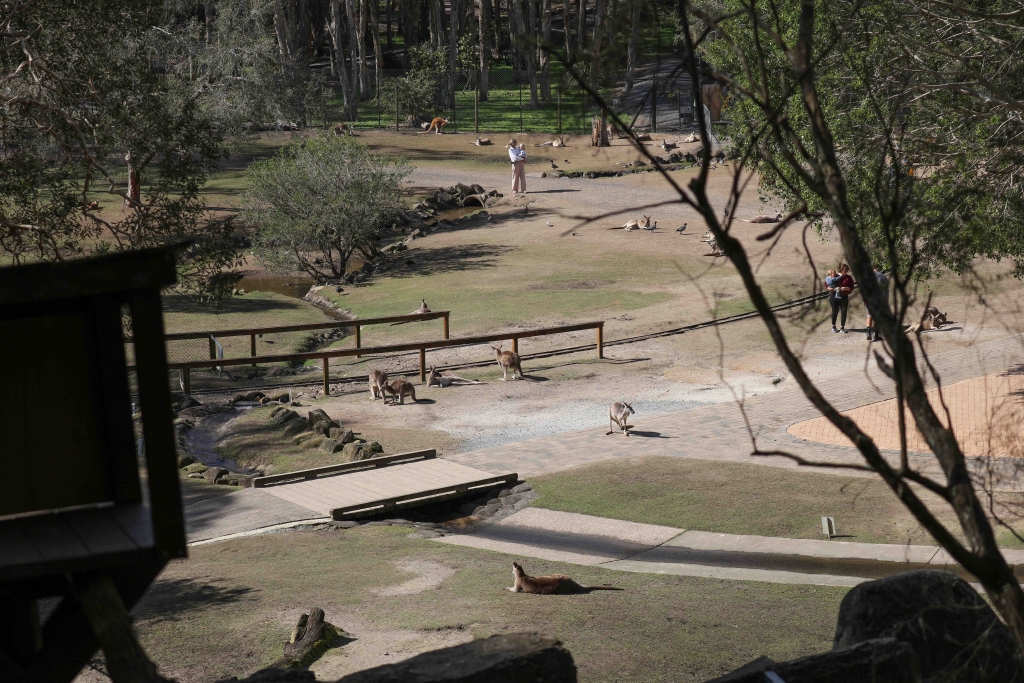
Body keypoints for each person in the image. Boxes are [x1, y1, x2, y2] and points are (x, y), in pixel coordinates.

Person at [865, 266, 889, 342]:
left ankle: (868, 333)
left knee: (869, 316)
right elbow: (886, 289)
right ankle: (876, 335)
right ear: (876, 268)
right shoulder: (883, 276)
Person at [829, 263, 855, 333]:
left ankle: (842, 327)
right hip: (834, 297)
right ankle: (833, 326)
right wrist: (834, 288)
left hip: (844, 297)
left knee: (844, 312)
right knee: (835, 311)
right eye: (844, 271)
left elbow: (852, 287)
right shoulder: (834, 276)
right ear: (841, 270)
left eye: (847, 271)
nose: (845, 273)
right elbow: (827, 283)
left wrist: (846, 288)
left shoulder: (848, 278)